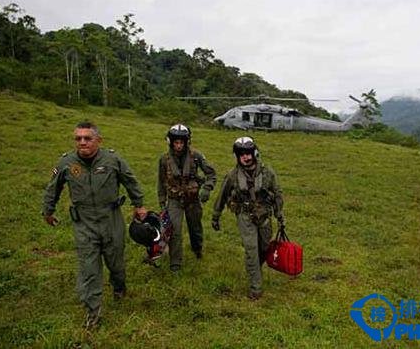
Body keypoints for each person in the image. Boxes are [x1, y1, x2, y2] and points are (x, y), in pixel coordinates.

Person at [42, 121, 147, 329]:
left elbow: (130, 180)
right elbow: (52, 188)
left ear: (98, 140)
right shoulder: (66, 163)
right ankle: (93, 311)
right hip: (84, 223)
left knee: (115, 261)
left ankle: (119, 287)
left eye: (87, 138)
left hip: (111, 219)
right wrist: (48, 210)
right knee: (89, 268)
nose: (82, 143)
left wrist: (139, 204)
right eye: (78, 138)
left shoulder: (112, 159)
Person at [211, 137, 284, 300]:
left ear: (254, 153)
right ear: (237, 156)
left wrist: (280, 216)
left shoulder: (267, 172)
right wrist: (216, 216)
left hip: (264, 214)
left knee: (265, 247)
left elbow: (278, 194)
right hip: (245, 216)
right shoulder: (232, 175)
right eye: (241, 154)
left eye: (248, 153)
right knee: (251, 250)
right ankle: (255, 288)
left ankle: (254, 268)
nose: (245, 157)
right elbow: (222, 196)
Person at [157, 124, 216, 272]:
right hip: (174, 200)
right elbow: (161, 181)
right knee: (174, 230)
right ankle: (175, 263)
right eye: (176, 142)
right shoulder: (164, 160)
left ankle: (197, 249)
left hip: (193, 200)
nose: (178, 146)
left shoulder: (196, 156)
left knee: (195, 228)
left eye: (181, 142)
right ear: (170, 142)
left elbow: (211, 174)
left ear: (186, 142)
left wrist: (207, 189)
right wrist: (162, 201)